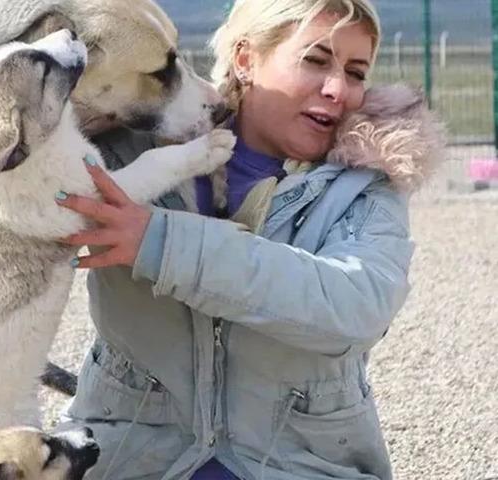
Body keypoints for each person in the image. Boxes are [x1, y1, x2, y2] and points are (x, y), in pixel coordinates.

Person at [55, 0, 444, 479]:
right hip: (132, 458)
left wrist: (163, 244)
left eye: (356, 71)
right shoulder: (132, 151)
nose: (338, 89)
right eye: (316, 61)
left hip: (300, 465)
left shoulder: (367, 183)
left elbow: (354, 306)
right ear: (245, 60)